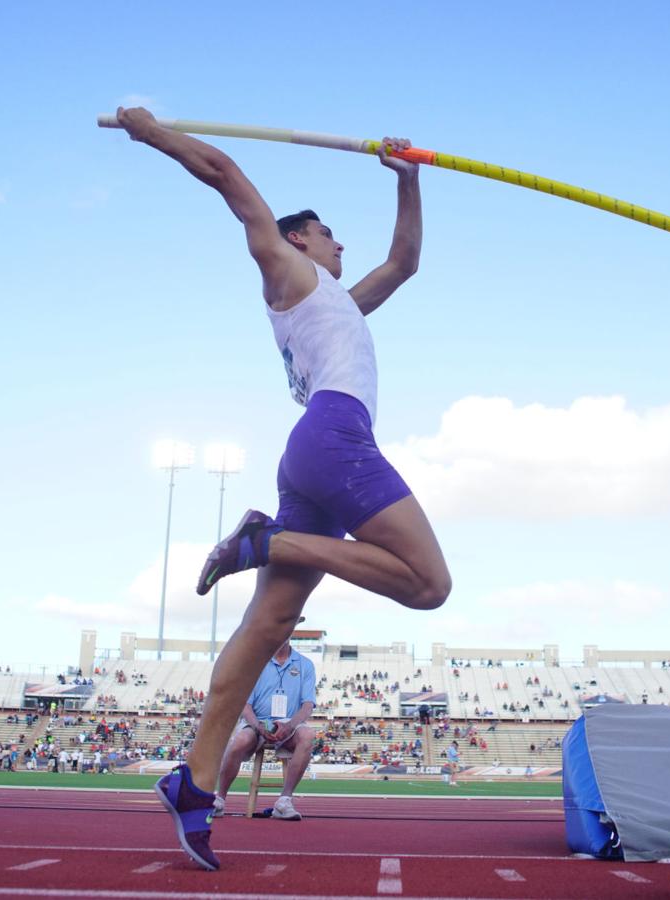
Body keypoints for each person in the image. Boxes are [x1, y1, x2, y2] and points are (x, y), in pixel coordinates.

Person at [116, 105, 450, 872]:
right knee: (429, 585)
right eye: (330, 232)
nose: (340, 244)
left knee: (266, 626)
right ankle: (268, 539)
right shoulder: (290, 272)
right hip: (335, 439)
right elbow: (229, 177)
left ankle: (195, 780)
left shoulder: (336, 301)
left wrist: (408, 180)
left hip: (307, 464)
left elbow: (404, 263)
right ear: (299, 240)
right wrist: (151, 131)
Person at [213, 636, 316, 821]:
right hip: (257, 720)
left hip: (289, 723)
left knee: (308, 735)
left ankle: (284, 801)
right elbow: (245, 704)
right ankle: (219, 799)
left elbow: (308, 705)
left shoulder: (305, 664)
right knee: (240, 740)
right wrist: (258, 726)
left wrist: (290, 725)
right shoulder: (253, 663)